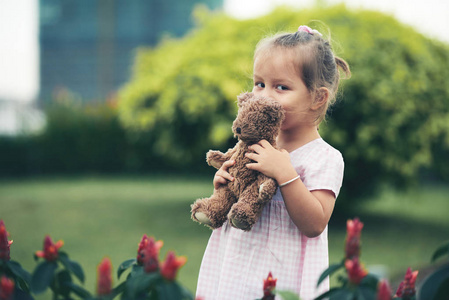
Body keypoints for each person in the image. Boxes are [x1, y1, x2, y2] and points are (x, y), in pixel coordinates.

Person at [195, 25, 351, 300]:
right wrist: (224, 185)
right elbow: (241, 193)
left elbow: (315, 224)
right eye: (259, 84)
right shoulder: (251, 146)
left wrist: (286, 174)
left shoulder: (324, 158)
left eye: (281, 87)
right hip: (236, 268)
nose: (265, 95)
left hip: (283, 278)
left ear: (318, 98)